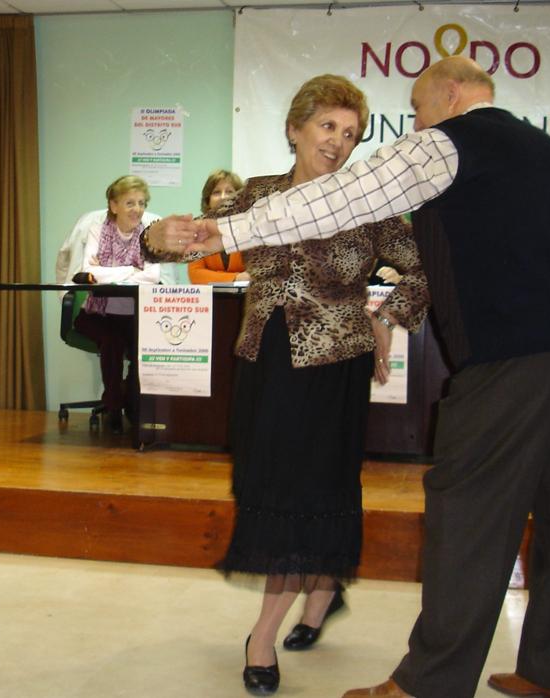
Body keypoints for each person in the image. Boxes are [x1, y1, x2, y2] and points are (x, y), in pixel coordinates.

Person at [146, 56, 550, 698]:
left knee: (466, 517)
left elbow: (338, 201)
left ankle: (428, 686)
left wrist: (226, 229)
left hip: (506, 363)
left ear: (447, 93)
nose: (412, 123)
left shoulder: (444, 143)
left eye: (415, 109)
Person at [150, 75, 428, 696]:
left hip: (335, 366)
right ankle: (322, 588)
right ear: (295, 128)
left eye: (351, 133)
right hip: (264, 357)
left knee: (313, 486)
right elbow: (189, 238)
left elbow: (420, 275)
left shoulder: (372, 201)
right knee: (265, 484)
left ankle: (262, 634)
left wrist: (384, 318)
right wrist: (151, 237)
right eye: (328, 126)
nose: (338, 142)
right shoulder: (258, 195)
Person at [70, 175, 163, 434]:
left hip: (135, 314)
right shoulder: (98, 230)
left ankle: (132, 403)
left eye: (142, 203)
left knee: (141, 348)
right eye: (130, 203)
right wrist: (131, 270)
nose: (138, 209)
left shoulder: (151, 231)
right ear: (114, 205)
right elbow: (89, 271)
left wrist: (109, 271)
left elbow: (152, 277)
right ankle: (113, 405)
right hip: (97, 313)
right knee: (111, 342)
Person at [187, 170, 248, 284]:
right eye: (216, 192)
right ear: (208, 200)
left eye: (230, 192)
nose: (223, 197)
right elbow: (196, 275)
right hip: (209, 299)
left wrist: (214, 277)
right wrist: (237, 278)